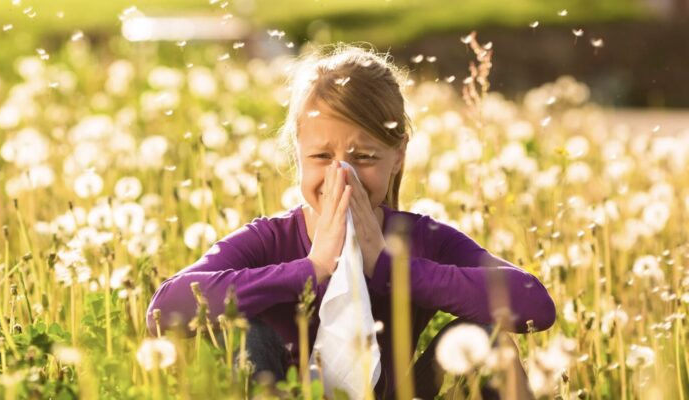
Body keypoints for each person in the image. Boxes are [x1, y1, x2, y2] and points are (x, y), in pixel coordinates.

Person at [146, 44, 556, 399]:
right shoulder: (269, 239)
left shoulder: (420, 238)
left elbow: (534, 305)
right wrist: (311, 270)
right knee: (244, 332)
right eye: (322, 157)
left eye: (364, 157)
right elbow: (163, 312)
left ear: (398, 157)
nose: (342, 176)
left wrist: (391, 268)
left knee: (490, 339)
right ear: (297, 152)